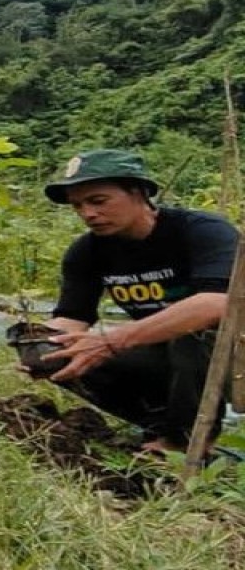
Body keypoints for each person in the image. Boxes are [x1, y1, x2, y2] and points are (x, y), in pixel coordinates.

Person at [34, 149, 239, 454]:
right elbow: (71, 318)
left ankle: (184, 444)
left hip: (233, 355)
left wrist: (112, 341)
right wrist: (38, 343)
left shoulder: (201, 231)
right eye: (78, 205)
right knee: (57, 354)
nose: (87, 213)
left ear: (139, 192)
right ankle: (160, 424)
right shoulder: (87, 252)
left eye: (98, 201)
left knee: (194, 334)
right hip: (167, 354)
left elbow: (216, 305)